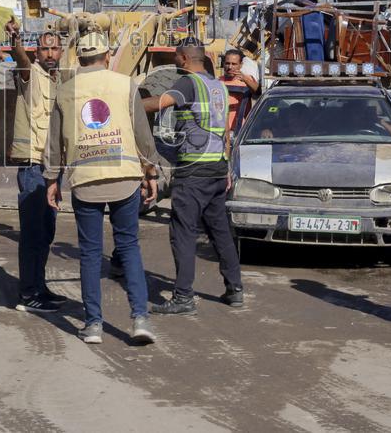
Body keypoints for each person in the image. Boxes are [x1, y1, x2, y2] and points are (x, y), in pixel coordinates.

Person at [44, 32, 160, 345]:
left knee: (91, 254)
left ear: (78, 59)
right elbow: (142, 135)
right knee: (129, 247)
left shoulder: (65, 91)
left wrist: (51, 179)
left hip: (85, 181)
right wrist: (150, 172)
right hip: (125, 177)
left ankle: (93, 324)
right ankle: (140, 319)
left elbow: (55, 142)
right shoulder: (125, 85)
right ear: (107, 56)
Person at [143, 40, 245, 315]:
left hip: (193, 171)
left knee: (183, 233)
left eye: (177, 58)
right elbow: (225, 132)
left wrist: (128, 104)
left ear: (186, 58)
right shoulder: (219, 87)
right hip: (216, 170)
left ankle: (183, 296)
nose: (176, 62)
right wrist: (226, 170)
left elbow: (160, 104)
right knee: (220, 232)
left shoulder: (189, 84)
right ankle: (235, 289)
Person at [6, 21, 65, 313]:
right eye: (45, 48)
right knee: (32, 234)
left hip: (53, 169)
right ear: (37, 52)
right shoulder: (30, 74)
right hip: (32, 168)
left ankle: (39, 286)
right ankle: (29, 294)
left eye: (55, 48)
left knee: (46, 233)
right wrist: (15, 39)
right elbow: (20, 58)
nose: (50, 53)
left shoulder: (60, 81)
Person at [221, 49, 259, 135]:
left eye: (234, 64)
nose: (230, 67)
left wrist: (245, 79)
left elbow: (258, 92)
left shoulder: (247, 80)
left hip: (241, 131)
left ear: (241, 65)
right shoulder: (217, 82)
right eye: (227, 63)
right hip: (221, 131)